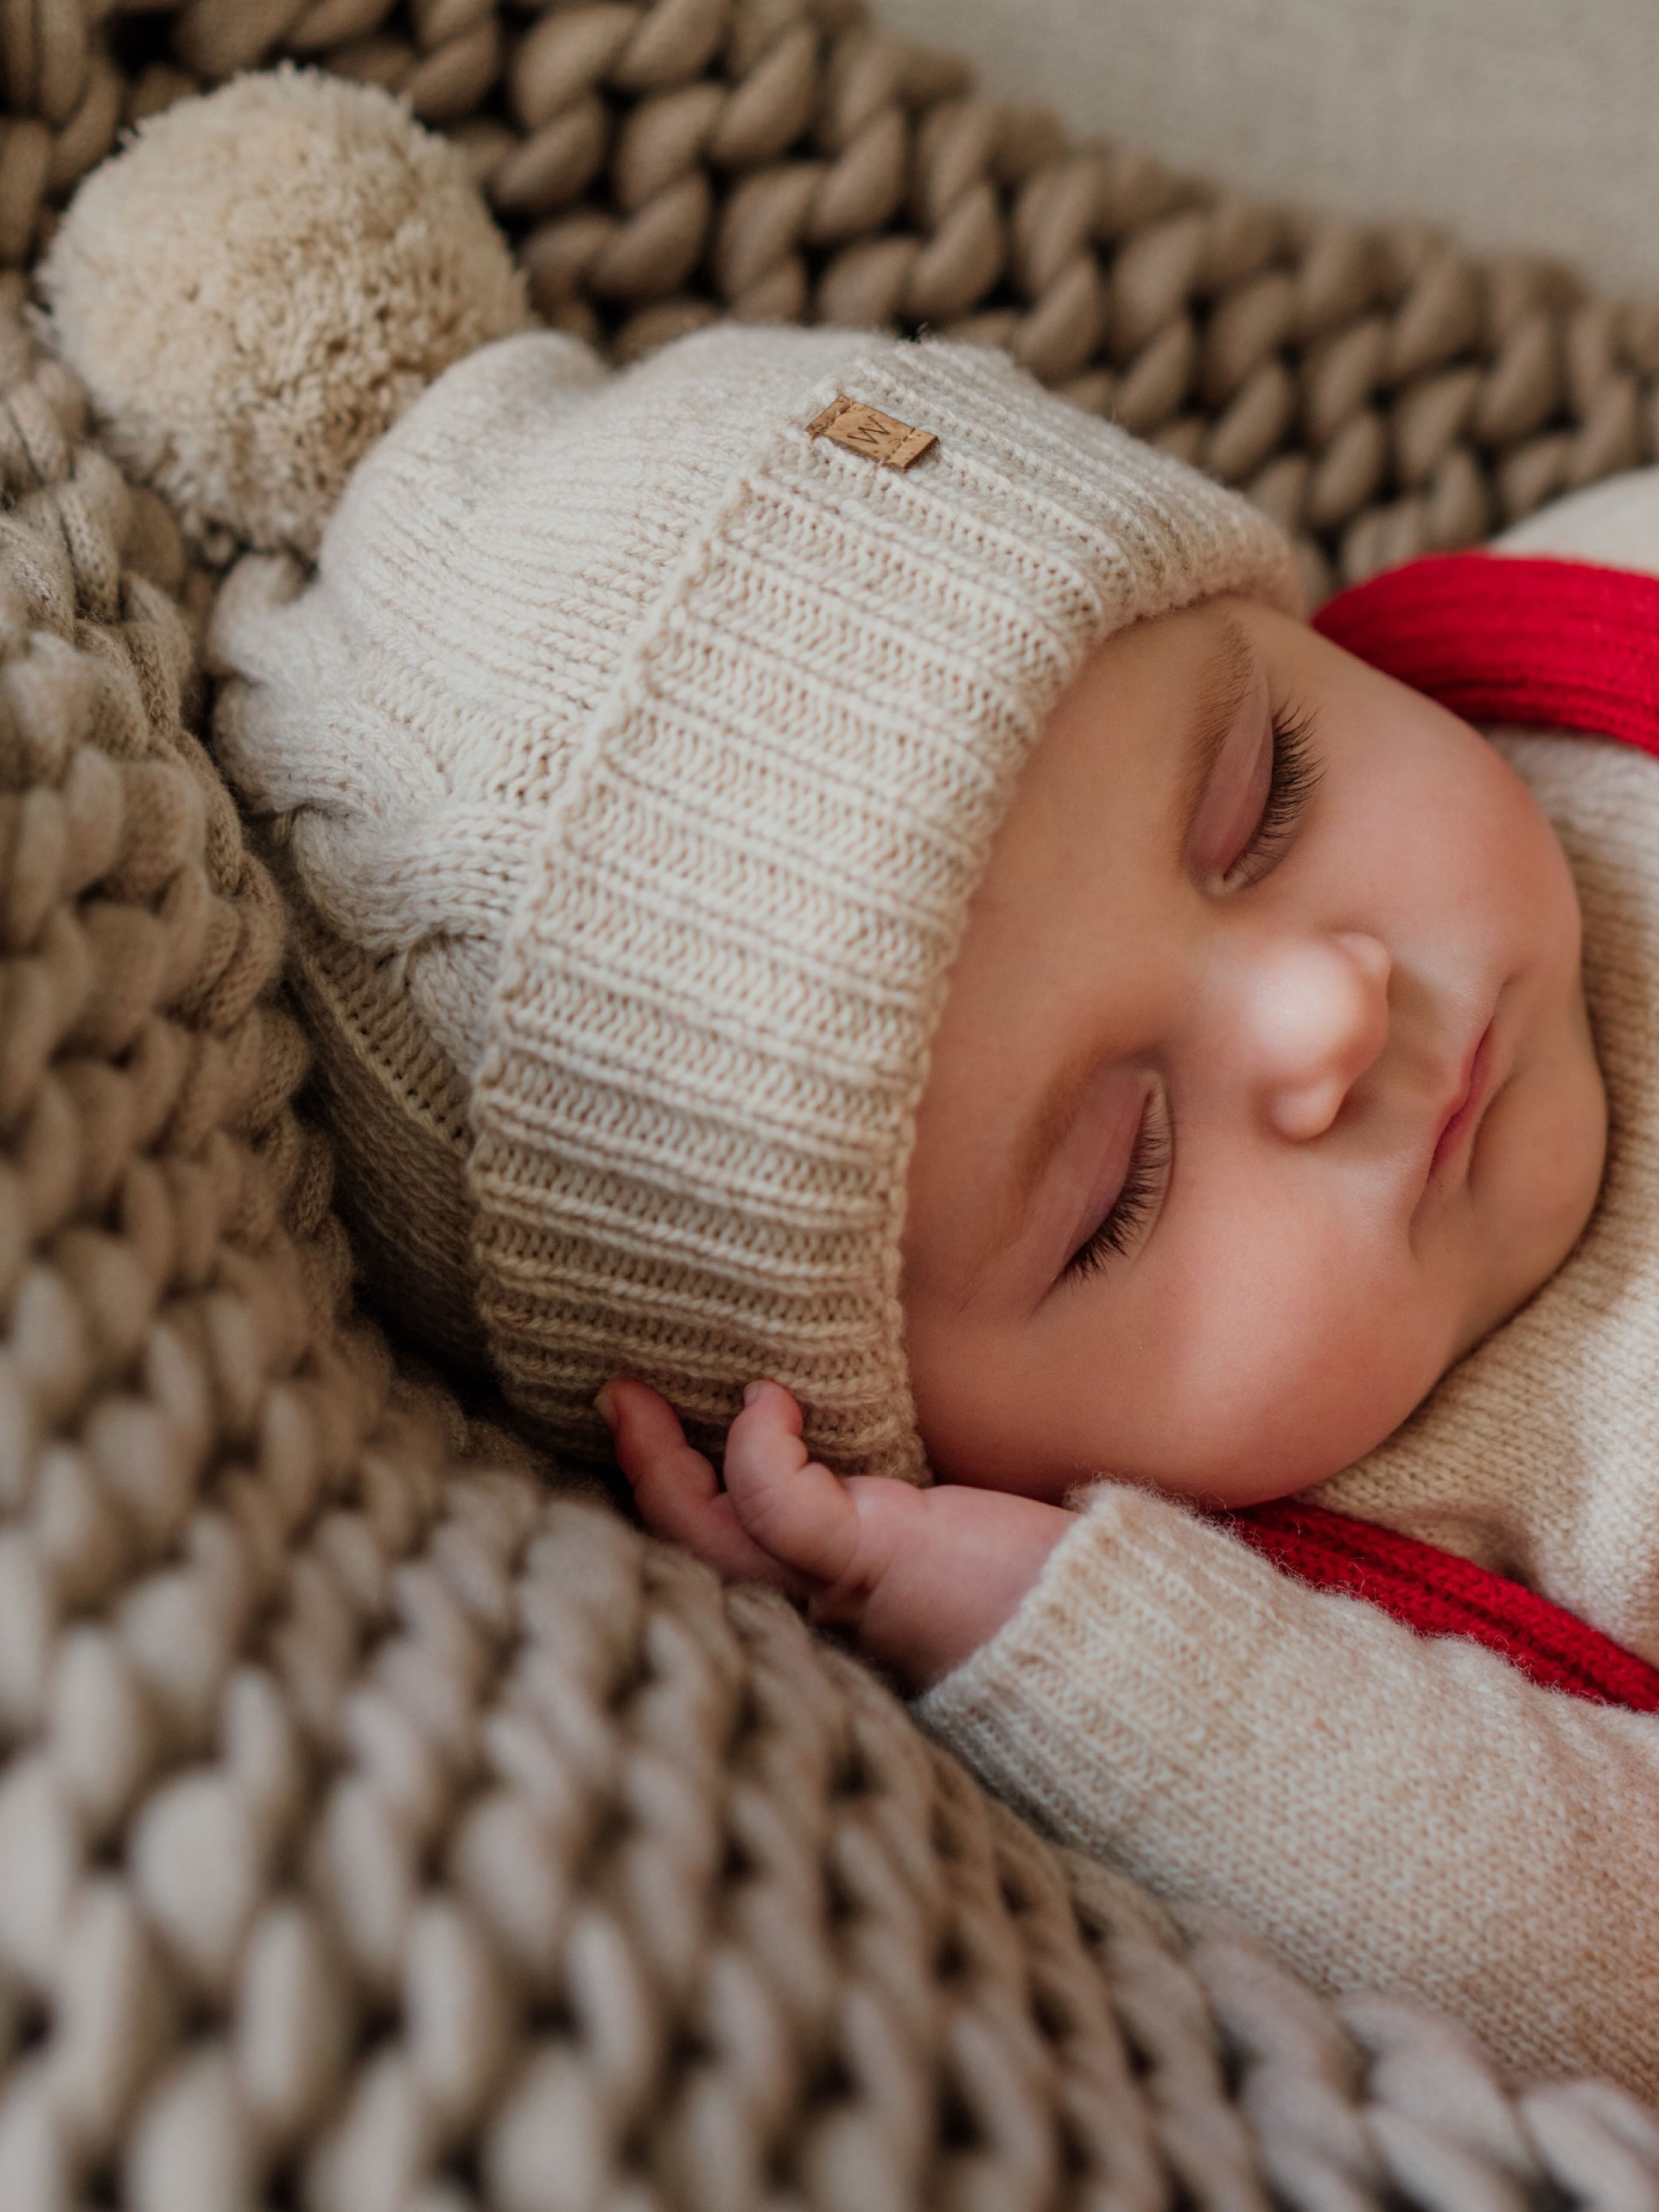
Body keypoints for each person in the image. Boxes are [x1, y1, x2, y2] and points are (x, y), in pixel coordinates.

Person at [42, 67, 1659, 2095]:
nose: (1328, 1017)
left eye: (1268, 798)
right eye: (1122, 1187)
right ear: (945, 1457)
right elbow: (1610, 1967)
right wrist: (1084, 1655)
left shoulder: (1584, 619)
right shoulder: (1371, 1604)